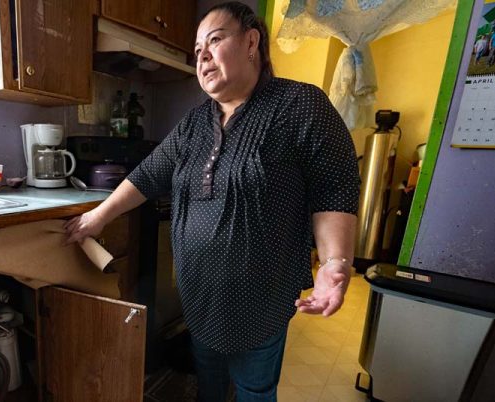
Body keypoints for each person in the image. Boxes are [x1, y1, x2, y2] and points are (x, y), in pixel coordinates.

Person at [65, 2, 359, 401]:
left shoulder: (300, 106)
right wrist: (97, 217)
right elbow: (149, 175)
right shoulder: (195, 122)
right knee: (209, 386)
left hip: (261, 299)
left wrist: (334, 263)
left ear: (251, 41)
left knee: (254, 390)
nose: (201, 56)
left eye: (215, 40)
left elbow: (334, 188)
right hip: (201, 296)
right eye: (198, 47)